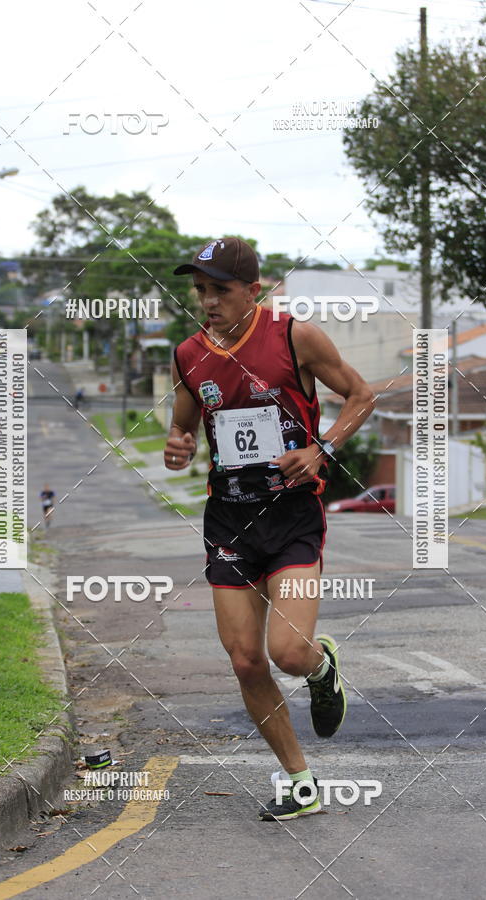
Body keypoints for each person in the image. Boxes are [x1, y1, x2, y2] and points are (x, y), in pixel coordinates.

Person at [164, 237, 375, 821]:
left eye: (220, 290)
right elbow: (183, 427)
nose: (207, 301)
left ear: (253, 291)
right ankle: (299, 780)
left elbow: (361, 394)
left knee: (287, 652)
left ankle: (320, 665)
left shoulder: (293, 337)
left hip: (292, 516)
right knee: (245, 660)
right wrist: (177, 445)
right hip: (229, 518)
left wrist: (322, 448)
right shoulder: (188, 354)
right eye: (200, 290)